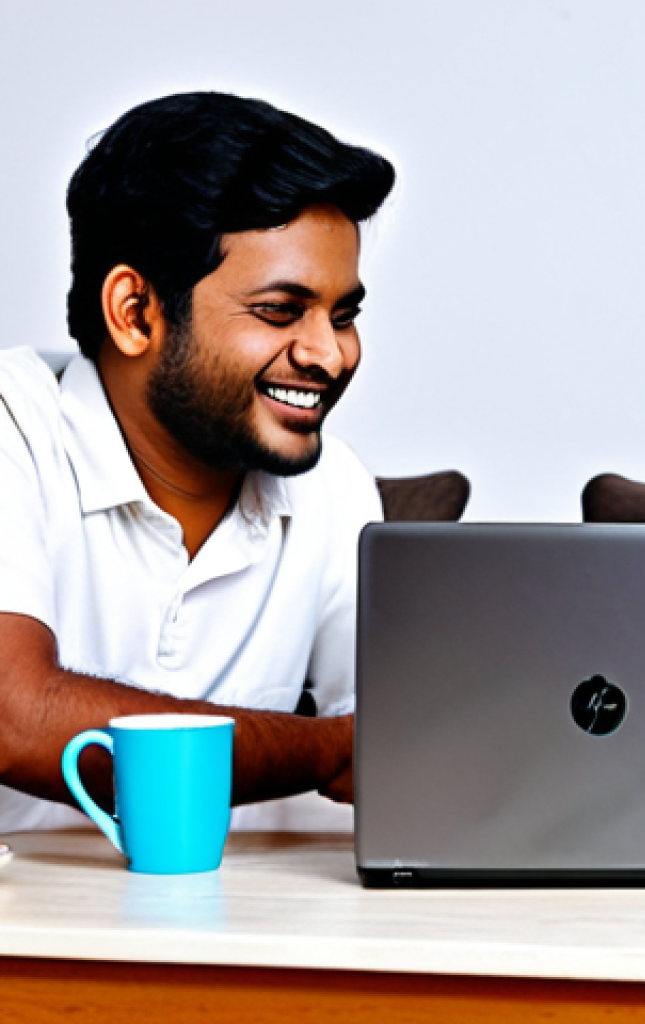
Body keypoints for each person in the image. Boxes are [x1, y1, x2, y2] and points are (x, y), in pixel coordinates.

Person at [0, 92, 395, 832]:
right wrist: (325, 752)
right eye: (282, 311)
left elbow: (408, 753)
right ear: (135, 312)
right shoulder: (10, 427)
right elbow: (14, 719)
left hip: (246, 939)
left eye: (343, 315)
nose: (329, 353)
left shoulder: (336, 485)